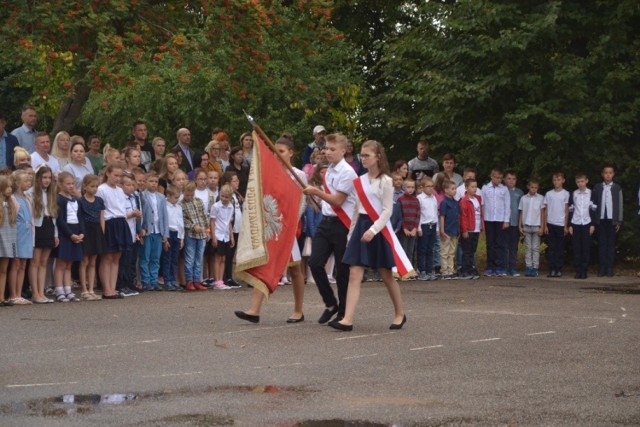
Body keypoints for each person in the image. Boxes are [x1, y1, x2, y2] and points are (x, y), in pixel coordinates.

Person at [328, 140, 407, 332]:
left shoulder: (386, 181)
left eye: (367, 156)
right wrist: (351, 234)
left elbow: (387, 211)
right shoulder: (359, 181)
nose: (363, 159)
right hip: (361, 226)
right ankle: (347, 319)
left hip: (378, 228)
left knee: (386, 274)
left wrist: (373, 230)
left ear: (378, 157)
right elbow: (356, 210)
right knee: (354, 273)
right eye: (361, 156)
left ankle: (400, 313)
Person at [234, 137, 307, 324]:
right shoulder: (270, 173)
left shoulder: (298, 174)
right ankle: (254, 310)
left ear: (291, 153)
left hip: (287, 228)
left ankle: (298, 310)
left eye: (281, 151)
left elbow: (301, 202)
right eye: (274, 151)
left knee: (296, 270)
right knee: (264, 264)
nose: (277, 155)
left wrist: (291, 222)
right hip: (271, 226)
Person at [302, 133, 357, 324]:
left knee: (342, 271)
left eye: (333, 149)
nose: (328, 152)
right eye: (326, 148)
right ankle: (330, 303)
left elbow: (338, 201)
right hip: (325, 222)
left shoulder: (348, 172)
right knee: (315, 263)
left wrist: (316, 192)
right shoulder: (329, 170)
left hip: (342, 224)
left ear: (344, 150)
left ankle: (343, 313)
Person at [97, 163, 131, 299]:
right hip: (109, 223)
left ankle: (113, 287)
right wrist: (102, 229)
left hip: (120, 222)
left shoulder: (120, 190)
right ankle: (106, 289)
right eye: (115, 175)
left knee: (116, 257)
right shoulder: (102, 189)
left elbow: (122, 210)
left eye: (120, 176)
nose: (117, 178)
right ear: (108, 174)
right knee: (107, 257)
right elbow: (102, 211)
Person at [27, 165, 58, 303]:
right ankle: (35, 293)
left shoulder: (51, 193)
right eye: (44, 177)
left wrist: (55, 234)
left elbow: (54, 217)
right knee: (35, 261)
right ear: (38, 178)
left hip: (48, 225)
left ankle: (41, 292)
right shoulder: (30, 193)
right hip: (37, 228)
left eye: (49, 178)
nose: (47, 180)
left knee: (44, 262)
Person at [54, 172, 84, 302]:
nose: (71, 186)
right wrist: (70, 235)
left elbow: (80, 217)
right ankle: (59, 290)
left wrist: (81, 232)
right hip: (65, 234)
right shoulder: (59, 199)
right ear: (60, 184)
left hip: (76, 232)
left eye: (72, 183)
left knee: (69, 264)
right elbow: (60, 220)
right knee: (61, 263)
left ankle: (68, 289)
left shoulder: (75, 199)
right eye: (68, 184)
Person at [138, 171, 169, 291]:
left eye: (156, 182)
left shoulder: (161, 197)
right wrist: (142, 229)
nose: (153, 184)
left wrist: (165, 233)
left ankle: (154, 280)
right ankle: (146, 280)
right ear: (146, 182)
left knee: (156, 257)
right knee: (145, 256)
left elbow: (164, 216)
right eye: (151, 181)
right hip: (148, 230)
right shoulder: (142, 196)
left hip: (158, 231)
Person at [591, 165, 623, 277]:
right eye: (606, 172)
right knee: (602, 244)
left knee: (611, 244)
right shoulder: (597, 187)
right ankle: (602, 267)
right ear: (602, 174)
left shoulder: (617, 187)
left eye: (610, 172)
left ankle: (610, 267)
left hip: (612, 220)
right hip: (601, 220)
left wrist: (618, 220)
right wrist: (594, 220)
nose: (608, 175)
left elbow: (620, 204)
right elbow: (593, 205)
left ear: (613, 174)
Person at [7, 170, 33, 305]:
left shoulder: (27, 198)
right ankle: (13, 295)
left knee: (23, 264)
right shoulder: (12, 198)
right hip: (18, 233)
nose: (29, 183)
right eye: (26, 181)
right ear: (17, 183)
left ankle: (19, 292)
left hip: (27, 233)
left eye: (29, 181)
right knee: (16, 263)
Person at [78, 174, 106, 300]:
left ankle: (91, 289)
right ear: (85, 186)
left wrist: (102, 232)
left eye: (96, 186)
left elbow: (101, 217)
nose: (94, 189)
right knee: (84, 261)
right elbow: (80, 218)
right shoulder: (81, 201)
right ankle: (84, 289)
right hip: (86, 230)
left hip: (96, 230)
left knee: (93, 261)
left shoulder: (99, 200)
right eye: (92, 186)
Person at [116, 172, 142, 297]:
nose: (131, 187)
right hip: (123, 232)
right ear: (121, 185)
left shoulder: (134, 197)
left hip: (132, 232)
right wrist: (131, 214)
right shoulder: (120, 198)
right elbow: (119, 215)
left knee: (130, 260)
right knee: (123, 260)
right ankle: (120, 285)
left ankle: (128, 283)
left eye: (133, 184)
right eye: (128, 185)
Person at [481, 168, 510, 277]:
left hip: (500, 219)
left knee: (499, 244)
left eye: (500, 178)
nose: (498, 180)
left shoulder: (504, 189)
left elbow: (507, 205)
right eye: (496, 177)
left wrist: (506, 220)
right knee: (490, 243)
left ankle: (499, 266)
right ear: (491, 177)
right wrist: (482, 220)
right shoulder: (485, 188)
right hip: (488, 219)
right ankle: (490, 267)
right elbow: (482, 204)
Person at [182, 181, 209, 291]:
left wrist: (207, 230)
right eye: (187, 194)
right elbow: (183, 220)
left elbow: (204, 217)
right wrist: (193, 226)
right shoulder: (181, 204)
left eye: (191, 194)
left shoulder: (199, 202)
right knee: (190, 258)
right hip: (190, 235)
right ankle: (189, 281)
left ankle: (197, 280)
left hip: (201, 235)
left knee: (199, 258)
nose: (189, 197)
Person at [569, 173, 596, 279]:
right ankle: (578, 270)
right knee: (576, 247)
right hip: (575, 222)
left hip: (586, 222)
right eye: (578, 182)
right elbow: (571, 209)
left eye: (582, 181)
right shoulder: (574, 194)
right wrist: (570, 224)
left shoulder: (591, 193)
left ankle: (584, 270)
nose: (580, 184)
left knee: (585, 247)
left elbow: (594, 209)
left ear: (586, 181)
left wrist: (592, 224)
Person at [542, 172, 570, 278]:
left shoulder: (565, 194)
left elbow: (566, 210)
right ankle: (552, 268)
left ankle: (558, 269)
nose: (556, 182)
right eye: (554, 180)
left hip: (561, 224)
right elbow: (546, 210)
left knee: (560, 248)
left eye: (558, 180)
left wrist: (565, 225)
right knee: (552, 248)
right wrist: (545, 225)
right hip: (550, 223)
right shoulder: (549, 194)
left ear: (563, 181)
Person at [219, 171, 243, 288]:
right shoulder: (226, 197)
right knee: (227, 254)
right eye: (235, 181)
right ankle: (225, 277)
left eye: (237, 180)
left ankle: (229, 276)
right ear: (228, 183)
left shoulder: (237, 196)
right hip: (229, 229)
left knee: (231, 254)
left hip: (238, 229)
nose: (237, 182)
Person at [518, 178, 545, 277]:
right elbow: (521, 212)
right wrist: (520, 226)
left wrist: (542, 226)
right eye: (532, 187)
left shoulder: (541, 198)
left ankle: (535, 267)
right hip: (527, 225)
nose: (534, 189)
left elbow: (542, 213)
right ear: (528, 187)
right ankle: (528, 267)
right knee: (528, 248)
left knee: (535, 248)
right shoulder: (523, 198)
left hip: (536, 225)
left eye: (536, 188)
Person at [458, 178, 483, 280]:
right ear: (466, 188)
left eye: (475, 187)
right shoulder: (464, 201)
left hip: (476, 229)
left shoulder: (477, 199)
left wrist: (481, 227)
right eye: (472, 187)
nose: (474, 189)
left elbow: (480, 214)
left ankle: (471, 267)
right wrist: (464, 230)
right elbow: (463, 217)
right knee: (466, 250)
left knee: (472, 250)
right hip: (469, 229)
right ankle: (465, 269)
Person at [162, 185, 184, 291]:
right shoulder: (165, 207)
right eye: (175, 197)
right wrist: (165, 237)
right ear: (168, 196)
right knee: (167, 258)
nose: (177, 200)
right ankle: (167, 281)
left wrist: (181, 237)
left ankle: (173, 280)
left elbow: (180, 223)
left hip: (177, 234)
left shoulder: (179, 207)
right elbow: (165, 222)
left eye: (178, 197)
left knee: (174, 259)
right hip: (169, 234)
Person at [416, 176, 438, 281]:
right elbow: (419, 214)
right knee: (422, 249)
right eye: (428, 186)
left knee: (431, 249)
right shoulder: (420, 198)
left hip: (432, 225)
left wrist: (437, 227)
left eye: (432, 186)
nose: (430, 188)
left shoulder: (433, 198)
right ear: (422, 187)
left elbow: (435, 213)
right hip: (424, 226)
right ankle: (422, 270)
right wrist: (419, 228)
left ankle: (430, 270)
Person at [0, 176, 18, 306]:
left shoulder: (11, 202)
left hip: (8, 238)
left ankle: (1, 297)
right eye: (7, 186)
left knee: (4, 269)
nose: (10, 189)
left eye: (11, 186)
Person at [397, 178, 420, 275]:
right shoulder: (400, 199)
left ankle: (409, 271)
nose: (411, 189)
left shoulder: (416, 200)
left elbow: (418, 215)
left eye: (412, 187)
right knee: (403, 250)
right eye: (408, 187)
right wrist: (405, 228)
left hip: (413, 229)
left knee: (411, 251)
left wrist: (415, 228)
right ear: (404, 187)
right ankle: (403, 271)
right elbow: (399, 215)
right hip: (404, 230)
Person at [439, 180, 461, 280]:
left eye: (455, 189)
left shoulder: (456, 203)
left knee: (452, 251)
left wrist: (458, 229)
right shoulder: (444, 202)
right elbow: (442, 217)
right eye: (452, 189)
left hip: (454, 230)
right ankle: (444, 270)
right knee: (445, 251)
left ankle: (451, 269)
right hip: (446, 230)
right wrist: (442, 230)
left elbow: (458, 217)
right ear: (446, 190)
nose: (454, 191)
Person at [504, 170, 524, 276]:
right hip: (504, 223)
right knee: (504, 246)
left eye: (514, 179)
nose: (511, 181)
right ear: (504, 179)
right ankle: (504, 267)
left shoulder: (519, 193)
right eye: (509, 178)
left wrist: (521, 224)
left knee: (513, 247)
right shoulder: (502, 191)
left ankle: (512, 267)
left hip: (515, 223)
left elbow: (521, 210)